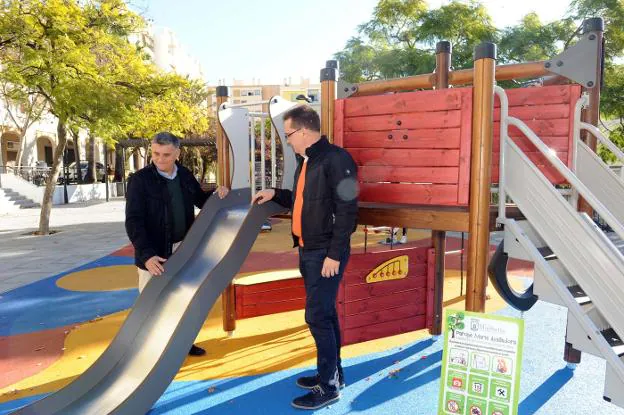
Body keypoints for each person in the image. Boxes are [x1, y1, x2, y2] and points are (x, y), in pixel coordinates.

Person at [252, 105, 358, 410]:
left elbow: (348, 211)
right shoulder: (307, 160)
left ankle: (328, 387)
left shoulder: (337, 159)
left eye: (289, 135)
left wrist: (334, 255)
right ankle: (333, 373)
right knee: (325, 314)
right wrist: (275, 193)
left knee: (317, 316)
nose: (288, 141)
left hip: (325, 253)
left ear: (304, 131)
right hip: (309, 248)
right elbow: (303, 200)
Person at [125, 132, 229, 357]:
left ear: (177, 154)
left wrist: (218, 193)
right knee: (151, 302)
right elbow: (133, 221)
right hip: (154, 254)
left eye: (166, 155)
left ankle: (182, 342)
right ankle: (150, 350)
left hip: (184, 249)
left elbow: (200, 200)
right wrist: (147, 255)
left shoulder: (184, 175)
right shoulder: (140, 181)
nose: (160, 159)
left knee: (183, 299)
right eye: (155, 154)